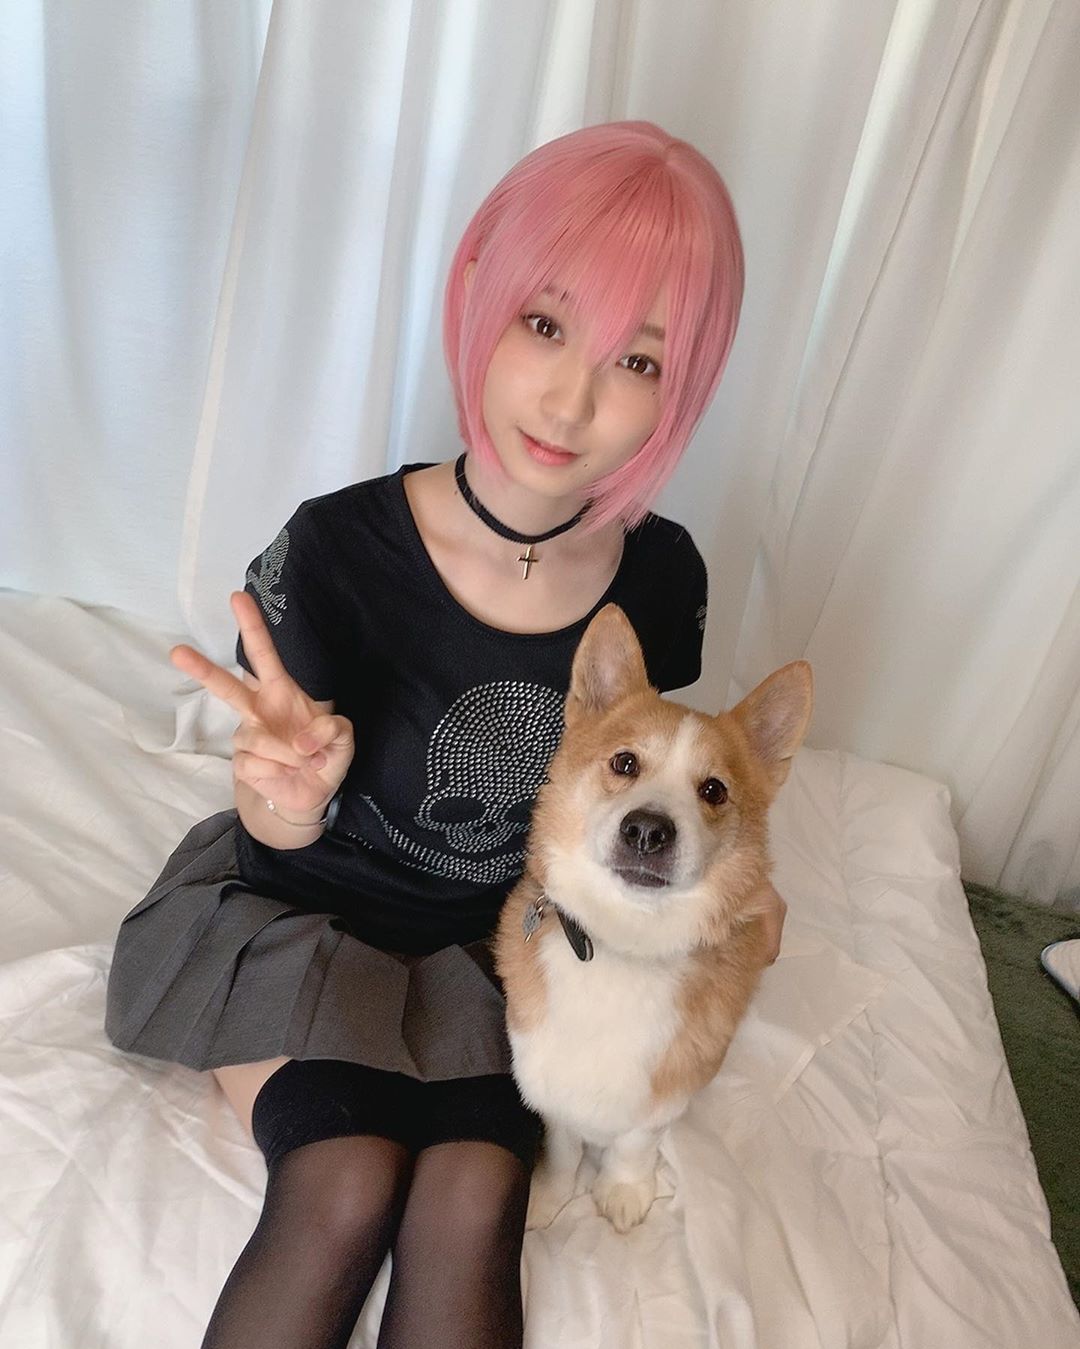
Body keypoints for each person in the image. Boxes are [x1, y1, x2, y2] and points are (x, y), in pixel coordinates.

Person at [105, 120, 787, 1349]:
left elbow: (645, 772)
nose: (573, 398)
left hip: (513, 951)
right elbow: (273, 817)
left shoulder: (664, 578)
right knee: (346, 1174)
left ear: (683, 384)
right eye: (545, 323)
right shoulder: (340, 548)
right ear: (476, 288)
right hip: (306, 915)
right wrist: (288, 794)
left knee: (472, 1196)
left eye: (638, 358)